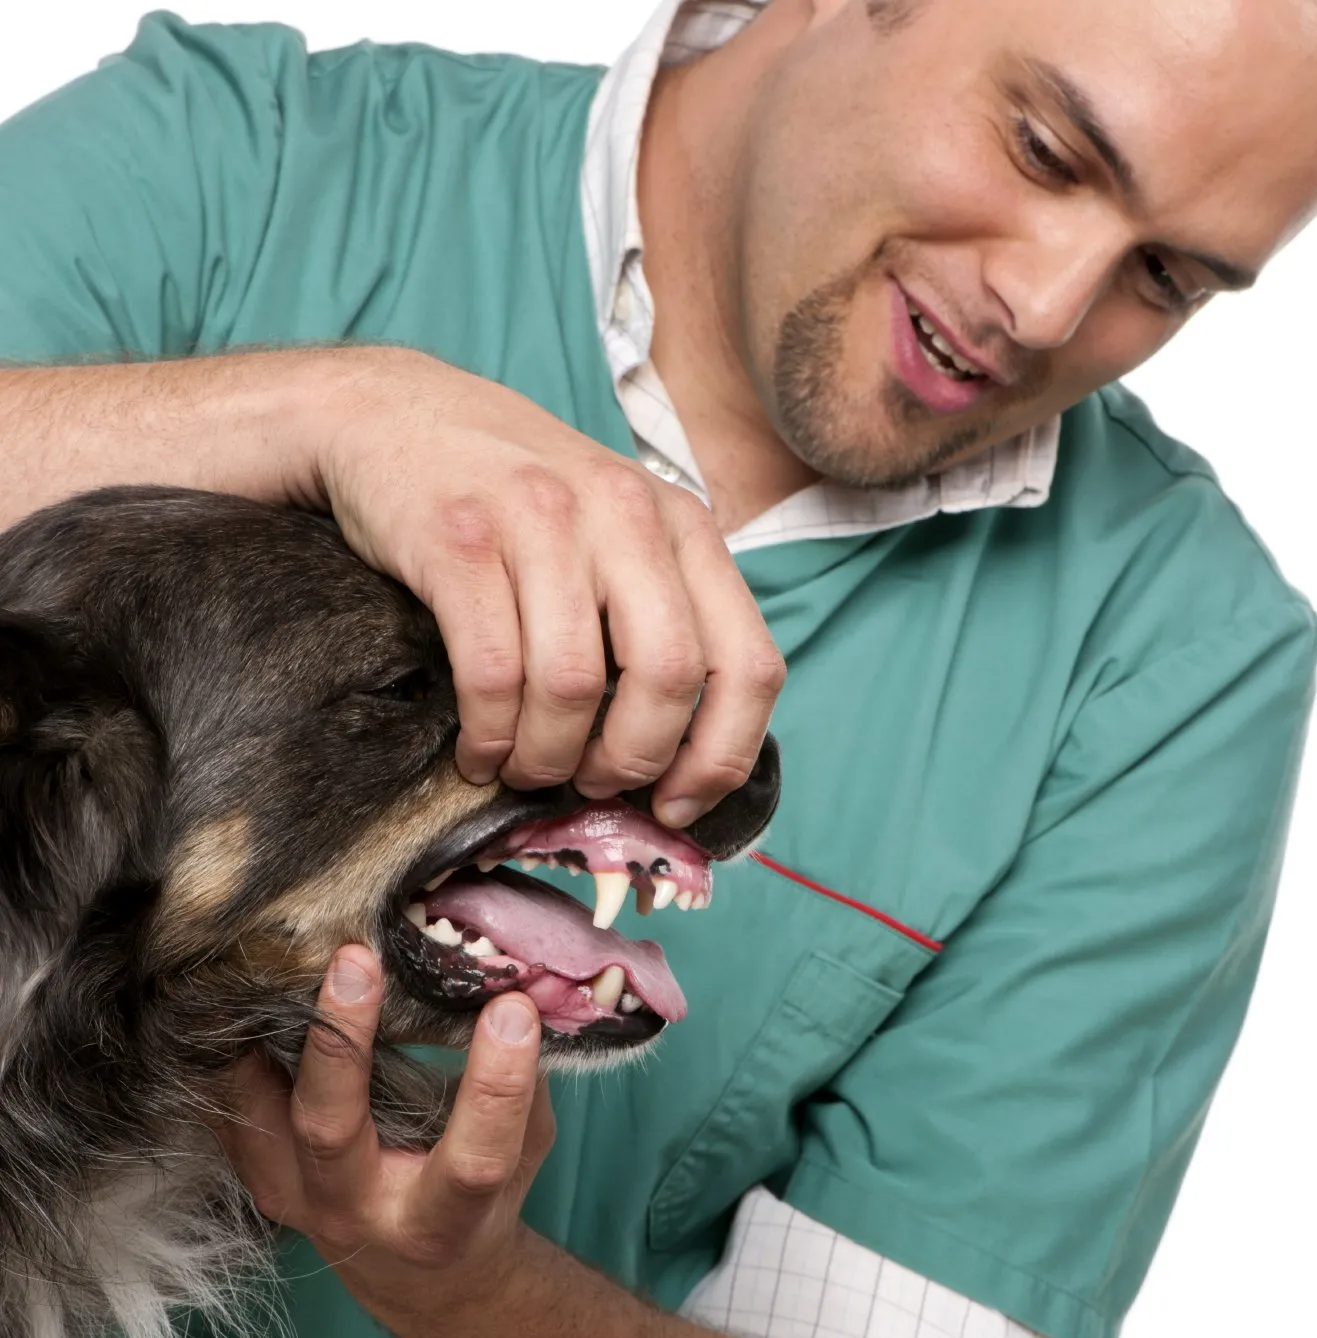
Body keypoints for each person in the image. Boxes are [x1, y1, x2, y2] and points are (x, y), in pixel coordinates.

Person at [1, 1, 1314, 1335]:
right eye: (1043, 149)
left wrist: (474, 1290)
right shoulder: (234, 161)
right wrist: (325, 410)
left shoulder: (1180, 659)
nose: (1045, 305)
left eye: (1168, 277)